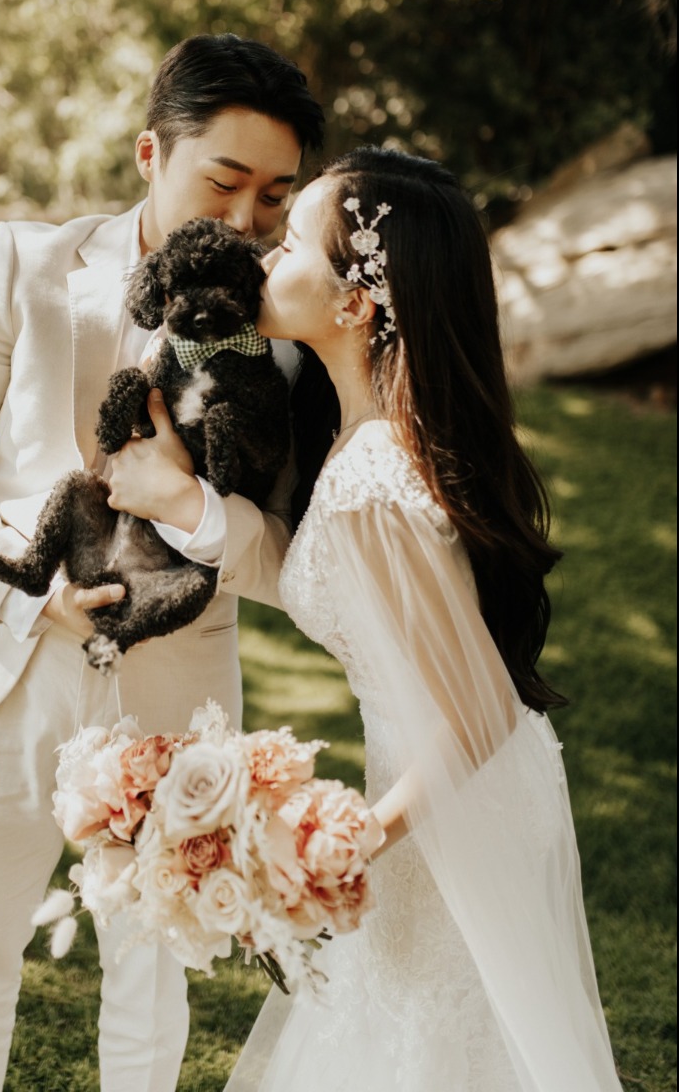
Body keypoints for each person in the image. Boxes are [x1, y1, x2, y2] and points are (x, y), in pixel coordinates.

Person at [0, 33, 324, 1092]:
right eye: (226, 179)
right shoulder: (24, 265)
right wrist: (37, 592)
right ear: (148, 154)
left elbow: (292, 559)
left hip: (181, 706)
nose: (249, 219)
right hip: (4, 676)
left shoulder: (287, 339)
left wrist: (196, 511)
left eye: (276, 195)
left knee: (152, 988)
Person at [121, 146, 624, 1090]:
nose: (265, 254)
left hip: (441, 794)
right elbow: (342, 589)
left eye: (295, 240)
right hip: (447, 786)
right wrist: (179, 498)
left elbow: (477, 713)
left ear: (357, 300)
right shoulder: (368, 439)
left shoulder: (374, 475)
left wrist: (336, 841)